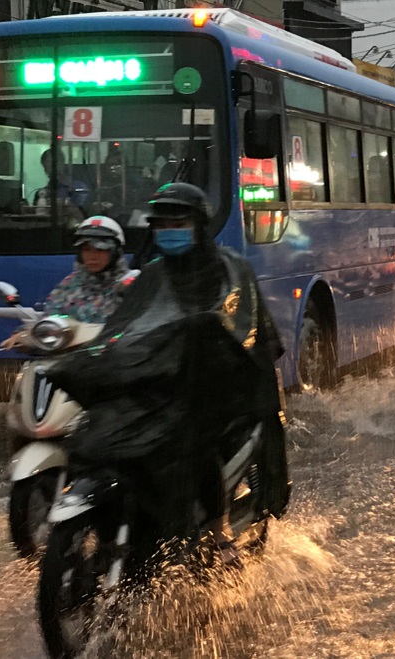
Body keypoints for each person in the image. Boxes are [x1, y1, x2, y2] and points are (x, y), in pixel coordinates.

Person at [47, 183, 290, 568]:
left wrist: (206, 331)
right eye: (161, 224)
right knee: (96, 431)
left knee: (193, 441)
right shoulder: (153, 275)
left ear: (198, 225)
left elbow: (239, 324)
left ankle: (217, 528)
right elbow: (124, 328)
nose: (169, 231)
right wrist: (99, 357)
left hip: (215, 383)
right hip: (161, 380)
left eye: (178, 222)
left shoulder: (228, 269)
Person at [44, 216, 133, 323]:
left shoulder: (129, 285)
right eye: (86, 250)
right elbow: (50, 320)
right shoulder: (69, 285)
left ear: (115, 253)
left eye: (100, 250)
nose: (92, 257)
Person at [32, 148, 90, 219]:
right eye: (47, 165)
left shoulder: (78, 188)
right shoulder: (40, 194)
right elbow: (37, 218)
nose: (51, 168)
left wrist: (64, 204)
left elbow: (82, 215)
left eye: (54, 164)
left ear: (62, 163)